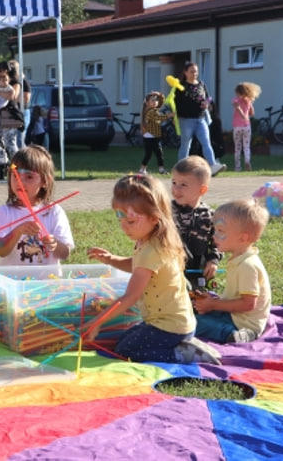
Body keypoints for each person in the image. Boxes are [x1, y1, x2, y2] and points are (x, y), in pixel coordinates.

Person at [83, 174, 221, 364]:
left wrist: (98, 321)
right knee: (123, 340)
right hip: (168, 323)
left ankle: (182, 354)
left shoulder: (152, 250)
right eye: (120, 218)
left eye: (130, 221)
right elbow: (138, 266)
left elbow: (130, 296)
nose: (123, 226)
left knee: (126, 351)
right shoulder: (149, 240)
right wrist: (111, 260)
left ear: (155, 218)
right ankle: (184, 343)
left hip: (170, 327)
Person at [192, 199, 271, 344]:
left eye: (221, 231)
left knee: (193, 323)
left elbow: (248, 304)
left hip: (244, 324)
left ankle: (236, 335)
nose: (214, 235)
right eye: (215, 230)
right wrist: (213, 302)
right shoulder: (238, 259)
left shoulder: (248, 265)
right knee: (193, 314)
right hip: (234, 315)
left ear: (243, 237)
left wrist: (214, 305)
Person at [0, 145, 73, 266]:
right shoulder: (3, 213)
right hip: (14, 282)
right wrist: (18, 231)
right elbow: (1, 250)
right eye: (15, 175)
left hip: (47, 282)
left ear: (45, 181)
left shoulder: (54, 212)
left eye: (29, 177)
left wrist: (55, 244)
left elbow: (65, 253)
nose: (20, 182)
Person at [171, 156, 221, 293]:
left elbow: (218, 242)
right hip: (171, 272)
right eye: (174, 182)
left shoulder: (210, 215)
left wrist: (213, 260)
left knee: (198, 301)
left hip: (198, 271)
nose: (176, 189)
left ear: (202, 190)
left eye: (183, 185)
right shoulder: (166, 212)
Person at [175, 62, 225, 176]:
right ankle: (181, 168)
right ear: (185, 72)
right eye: (192, 71)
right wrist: (176, 116)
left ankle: (212, 165)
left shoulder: (201, 84)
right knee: (185, 144)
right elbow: (176, 103)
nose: (194, 74)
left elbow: (208, 98)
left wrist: (206, 104)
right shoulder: (181, 86)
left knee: (206, 143)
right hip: (186, 120)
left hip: (200, 119)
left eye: (196, 71)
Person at [139, 91, 173, 174]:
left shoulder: (155, 110)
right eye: (152, 100)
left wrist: (160, 95)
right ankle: (143, 169)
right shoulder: (150, 112)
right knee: (151, 154)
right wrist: (169, 115)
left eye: (156, 100)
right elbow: (159, 117)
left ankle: (157, 169)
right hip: (150, 137)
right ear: (147, 103)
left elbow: (161, 102)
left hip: (155, 136)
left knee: (157, 153)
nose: (155, 102)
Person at [0, 63, 20, 157]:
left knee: (10, 143)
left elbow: (12, 96)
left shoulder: (14, 83)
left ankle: (16, 167)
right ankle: (1, 165)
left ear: (5, 71)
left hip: (9, 114)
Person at [231, 82, 261, 171]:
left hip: (237, 126)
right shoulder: (249, 100)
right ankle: (247, 161)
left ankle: (237, 167)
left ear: (237, 92)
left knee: (237, 147)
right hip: (247, 126)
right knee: (246, 146)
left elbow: (237, 108)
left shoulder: (235, 100)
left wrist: (242, 115)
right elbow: (252, 113)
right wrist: (247, 113)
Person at [7, 59, 32, 150]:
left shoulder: (23, 81)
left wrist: (12, 97)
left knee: (19, 139)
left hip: (22, 111)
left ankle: (24, 160)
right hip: (11, 112)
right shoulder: (8, 82)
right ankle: (16, 161)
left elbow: (26, 99)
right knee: (11, 140)